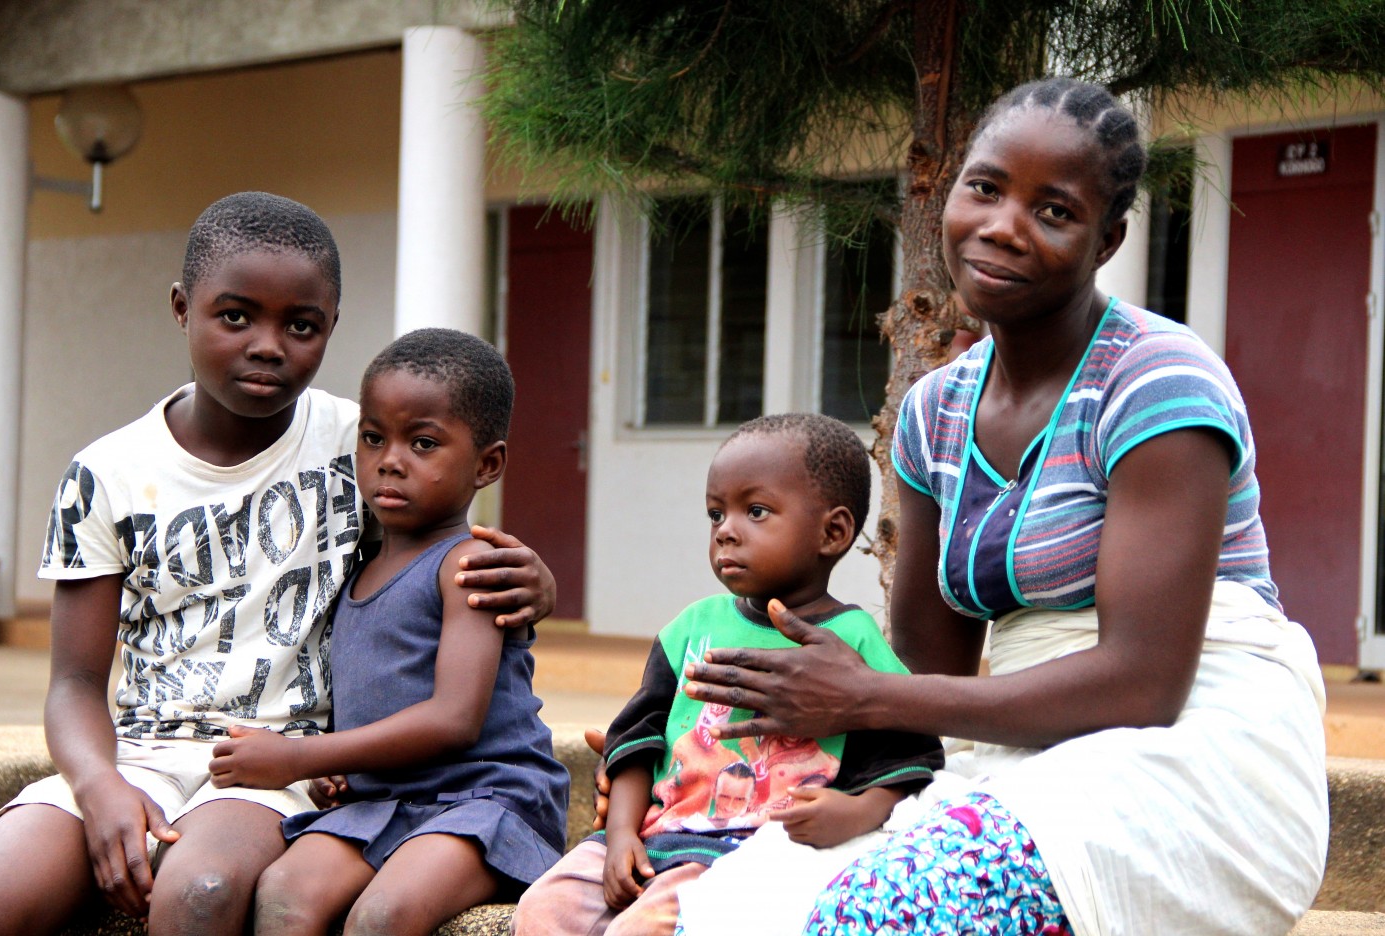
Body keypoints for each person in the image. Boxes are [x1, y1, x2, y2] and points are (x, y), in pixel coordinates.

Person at [678, 77, 1330, 936]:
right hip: (1022, 747)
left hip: (1195, 752)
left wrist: (866, 695)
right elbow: (921, 678)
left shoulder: (1155, 381)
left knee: (880, 912)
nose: (1000, 227)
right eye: (983, 187)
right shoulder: (933, 412)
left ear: (1107, 241)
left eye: (1052, 211)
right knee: (735, 905)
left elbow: (1144, 683)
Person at [0, 193, 556, 936]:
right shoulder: (107, 473)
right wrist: (98, 786)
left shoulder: (366, 441)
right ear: (183, 308)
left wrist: (532, 582)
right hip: (139, 752)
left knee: (203, 889)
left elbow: (442, 557)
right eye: (234, 316)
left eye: (301, 325)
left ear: (330, 328)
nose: (267, 345)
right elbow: (75, 683)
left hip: (288, 760)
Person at [513, 413, 945, 936]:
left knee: (643, 929)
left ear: (833, 532)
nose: (726, 533)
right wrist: (622, 833)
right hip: (652, 838)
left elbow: (910, 758)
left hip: (749, 856)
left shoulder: (852, 641)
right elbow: (636, 740)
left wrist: (857, 813)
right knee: (541, 910)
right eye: (716, 515)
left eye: (755, 511)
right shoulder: (691, 629)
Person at [207, 327, 571, 935]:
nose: (390, 460)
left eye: (423, 443)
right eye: (373, 438)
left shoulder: (469, 566)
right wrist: (341, 765)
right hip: (381, 801)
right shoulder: (355, 564)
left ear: (487, 464)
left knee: (382, 915)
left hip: (483, 798)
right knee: (283, 894)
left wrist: (298, 758)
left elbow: (452, 719)